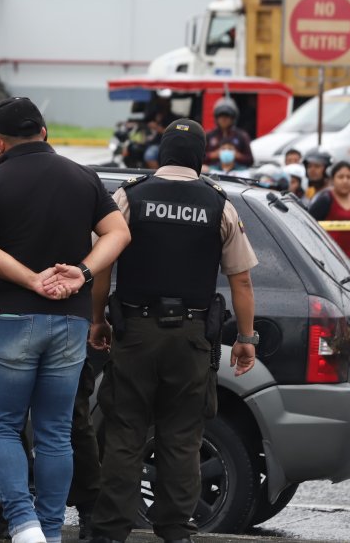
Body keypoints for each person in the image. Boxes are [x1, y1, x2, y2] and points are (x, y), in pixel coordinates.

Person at [0, 97, 131, 543]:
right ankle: (52, 530)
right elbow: (119, 232)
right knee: (56, 432)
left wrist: (32, 280)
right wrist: (83, 272)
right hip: (71, 322)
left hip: (12, 318)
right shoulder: (83, 177)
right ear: (44, 131)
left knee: (1, 425)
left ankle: (23, 523)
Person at [88, 119, 258, 543]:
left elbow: (101, 264)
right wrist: (246, 339)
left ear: (162, 152)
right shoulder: (220, 205)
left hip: (136, 333)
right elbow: (241, 280)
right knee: (182, 437)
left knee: (124, 433)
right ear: (201, 155)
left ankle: (110, 531)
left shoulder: (129, 196)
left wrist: (97, 319)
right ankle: (175, 531)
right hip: (191, 337)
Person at [0, 218, 102, 540]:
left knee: (1, 427)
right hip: (68, 323)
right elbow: (102, 258)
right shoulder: (80, 189)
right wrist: (97, 317)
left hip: (5, 322)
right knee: (65, 427)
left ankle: (14, 517)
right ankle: (78, 516)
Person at [309, 162, 350, 263]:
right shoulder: (325, 199)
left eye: (349, 177)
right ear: (332, 180)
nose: (345, 181)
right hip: (330, 259)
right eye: (340, 177)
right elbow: (308, 223)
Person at [204, 98, 253, 168]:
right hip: (212, 172)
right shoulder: (208, 135)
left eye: (227, 116)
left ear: (233, 118)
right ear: (216, 118)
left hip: (236, 173)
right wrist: (212, 155)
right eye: (221, 116)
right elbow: (198, 158)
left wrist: (238, 155)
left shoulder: (242, 136)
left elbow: (250, 160)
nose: (224, 119)